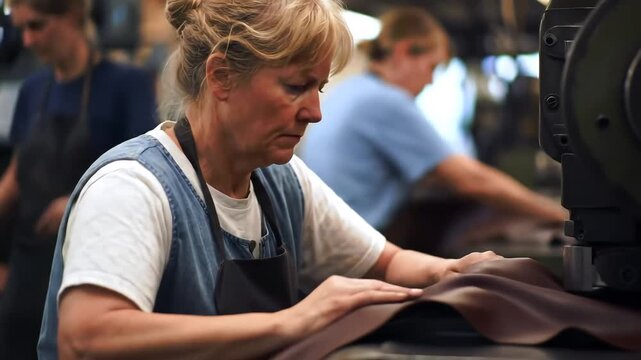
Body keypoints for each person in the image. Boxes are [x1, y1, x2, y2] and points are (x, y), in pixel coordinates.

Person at [37, 0, 500, 358]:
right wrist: (292, 322)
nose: (315, 112)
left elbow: (386, 263)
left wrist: (451, 271)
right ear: (221, 76)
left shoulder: (279, 181)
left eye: (318, 89)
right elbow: (86, 336)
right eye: (296, 86)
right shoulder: (135, 187)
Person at [301, 7, 567, 233]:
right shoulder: (384, 100)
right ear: (405, 52)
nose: (430, 81)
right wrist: (558, 215)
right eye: (432, 67)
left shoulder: (353, 89)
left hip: (331, 234)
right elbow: (472, 180)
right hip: (351, 243)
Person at [0, 0, 157, 358]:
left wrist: (76, 201)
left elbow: (148, 173)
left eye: (36, 26)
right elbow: (16, 176)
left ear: (72, 15)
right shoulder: (32, 90)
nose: (26, 40)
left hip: (89, 268)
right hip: (28, 266)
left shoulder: (126, 85)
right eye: (21, 27)